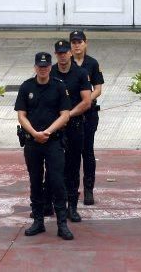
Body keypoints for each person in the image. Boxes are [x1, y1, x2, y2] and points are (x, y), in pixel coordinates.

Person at [15, 52, 74, 240]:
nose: (43, 69)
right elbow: (21, 115)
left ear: (50, 66)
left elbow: (65, 114)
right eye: (40, 66)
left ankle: (62, 224)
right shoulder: (26, 87)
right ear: (35, 67)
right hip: (33, 142)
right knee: (35, 181)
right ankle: (38, 221)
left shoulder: (59, 87)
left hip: (53, 141)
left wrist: (48, 132)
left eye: (46, 66)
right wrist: (34, 133)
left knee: (57, 181)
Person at [51, 39, 93, 222]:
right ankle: (50, 204)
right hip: (54, 128)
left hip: (74, 126)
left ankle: (72, 207)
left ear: (70, 53)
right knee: (53, 167)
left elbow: (86, 101)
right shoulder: (50, 72)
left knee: (73, 167)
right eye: (59, 53)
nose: (62, 56)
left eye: (64, 52)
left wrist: (67, 116)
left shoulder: (81, 73)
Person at [70, 30, 104, 206]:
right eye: (74, 42)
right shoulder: (65, 64)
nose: (77, 45)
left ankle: (88, 189)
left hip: (88, 114)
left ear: (85, 43)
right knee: (70, 154)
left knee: (87, 152)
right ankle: (71, 190)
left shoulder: (92, 63)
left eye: (79, 42)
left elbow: (98, 88)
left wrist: (85, 101)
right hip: (69, 115)